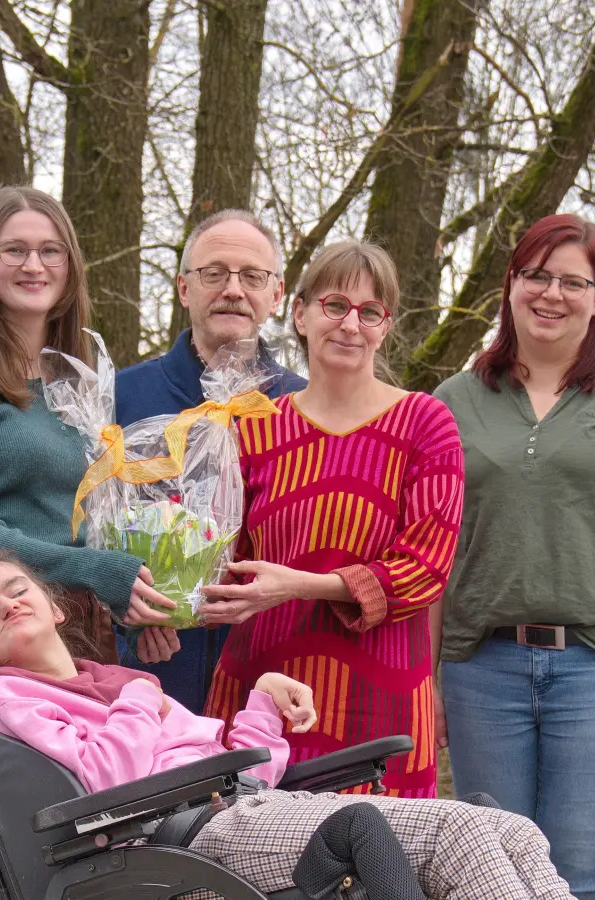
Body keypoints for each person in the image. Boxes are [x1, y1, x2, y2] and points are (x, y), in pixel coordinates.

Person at [0, 549, 572, 899]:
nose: (8, 604)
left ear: (55, 606)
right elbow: (111, 778)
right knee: (461, 839)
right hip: (184, 838)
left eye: (16, 588)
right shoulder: (10, 696)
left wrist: (263, 703)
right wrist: (138, 694)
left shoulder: (104, 677)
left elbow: (244, 764)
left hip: (243, 806)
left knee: (513, 832)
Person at [433, 214, 595, 900]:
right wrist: (426, 675)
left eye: (573, 281)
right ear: (510, 285)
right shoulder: (455, 401)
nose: (552, 294)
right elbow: (432, 547)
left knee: (581, 877)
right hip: (480, 670)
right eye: (536, 276)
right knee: (487, 876)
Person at [196, 239, 464, 798]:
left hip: (380, 692)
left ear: (385, 327)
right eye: (335, 305)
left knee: (378, 868)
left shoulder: (426, 422)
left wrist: (299, 585)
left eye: (370, 312)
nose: (351, 324)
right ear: (299, 312)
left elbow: (424, 568)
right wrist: (178, 599)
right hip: (264, 691)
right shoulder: (254, 427)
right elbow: (219, 556)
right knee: (250, 866)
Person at [0, 185, 176, 664]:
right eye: (15, 250)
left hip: (88, 630)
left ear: (70, 264)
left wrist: (129, 602)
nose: (33, 266)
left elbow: (95, 520)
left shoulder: (82, 383)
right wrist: (95, 570)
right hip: (10, 631)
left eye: (49, 251)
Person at [115, 208, 307, 708]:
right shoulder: (122, 397)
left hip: (275, 677)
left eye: (252, 276)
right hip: (153, 673)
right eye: (214, 274)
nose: (233, 289)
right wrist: (124, 602)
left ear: (277, 294)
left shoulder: (304, 406)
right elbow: (87, 525)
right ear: (184, 289)